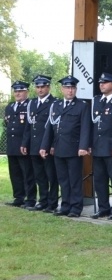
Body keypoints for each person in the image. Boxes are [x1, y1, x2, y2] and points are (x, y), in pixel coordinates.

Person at [39, 75, 92, 217]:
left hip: (74, 149)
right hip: (58, 148)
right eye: (67, 88)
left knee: (74, 180)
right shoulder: (55, 106)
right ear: (62, 89)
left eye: (73, 88)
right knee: (63, 180)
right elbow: (50, 127)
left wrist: (83, 147)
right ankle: (65, 206)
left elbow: (85, 128)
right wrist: (44, 146)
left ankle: (75, 208)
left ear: (75, 89)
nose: (70, 91)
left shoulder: (82, 106)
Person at [90, 72, 112, 220]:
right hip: (97, 147)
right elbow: (91, 125)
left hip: (111, 148)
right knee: (99, 179)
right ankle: (103, 207)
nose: (102, 85)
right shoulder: (96, 100)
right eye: (100, 82)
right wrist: (89, 144)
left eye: (105, 82)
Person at [24, 74, 59, 213]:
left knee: (51, 176)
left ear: (48, 87)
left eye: (42, 87)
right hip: (34, 145)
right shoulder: (32, 103)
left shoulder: (54, 103)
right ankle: (43, 200)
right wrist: (25, 143)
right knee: (39, 176)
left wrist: (52, 145)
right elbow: (29, 126)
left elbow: (54, 128)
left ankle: (52, 202)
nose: (40, 90)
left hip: (48, 146)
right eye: (37, 87)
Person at [4, 81, 35, 208]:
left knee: (27, 173)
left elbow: (29, 127)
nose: (18, 93)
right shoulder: (10, 107)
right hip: (12, 145)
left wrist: (25, 143)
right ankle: (19, 197)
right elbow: (7, 124)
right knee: (15, 173)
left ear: (26, 92)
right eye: (16, 91)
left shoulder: (30, 106)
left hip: (24, 145)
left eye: (20, 91)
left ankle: (30, 198)